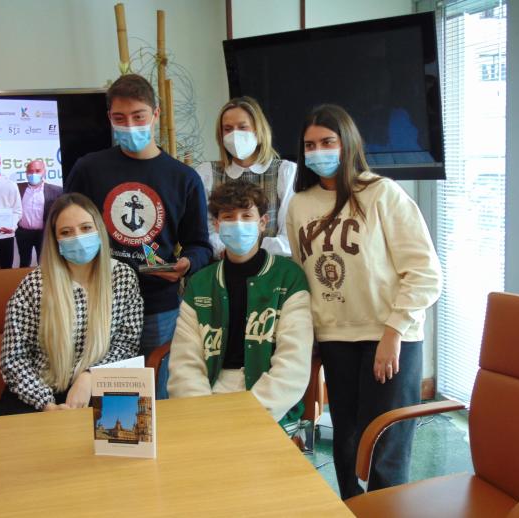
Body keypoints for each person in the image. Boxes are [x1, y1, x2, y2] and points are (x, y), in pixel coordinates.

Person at [286, 104, 441, 499]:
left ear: (347, 143)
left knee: (385, 447)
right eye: (310, 144)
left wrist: (393, 333)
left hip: (390, 336)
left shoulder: (381, 193)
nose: (318, 150)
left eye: (327, 141)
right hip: (336, 338)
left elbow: (424, 273)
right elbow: (304, 277)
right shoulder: (299, 204)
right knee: (347, 443)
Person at [65, 73, 211, 369]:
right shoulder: (88, 169)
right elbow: (62, 230)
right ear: (109, 118)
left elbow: (200, 245)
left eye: (138, 116)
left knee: (156, 395)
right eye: (120, 118)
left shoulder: (184, 179)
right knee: (99, 393)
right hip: (97, 302)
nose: (130, 126)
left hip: (157, 306)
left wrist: (186, 264)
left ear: (155, 114)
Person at [168, 180, 312, 428]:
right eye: (228, 217)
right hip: (208, 399)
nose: (237, 224)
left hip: (268, 404)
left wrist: (249, 416)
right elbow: (185, 361)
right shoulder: (201, 283)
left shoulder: (289, 278)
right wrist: (202, 414)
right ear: (216, 225)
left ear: (262, 223)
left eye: (246, 216)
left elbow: (293, 363)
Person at [0, 193, 144, 414]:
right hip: (38, 394)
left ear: (99, 230)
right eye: (66, 232)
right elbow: (14, 359)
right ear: (55, 240)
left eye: (86, 228)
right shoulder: (35, 285)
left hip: (101, 387)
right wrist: (46, 403)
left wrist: (90, 376)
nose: (77, 237)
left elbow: (126, 345)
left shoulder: (123, 277)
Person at [195, 96, 296, 258]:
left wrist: (248, 251)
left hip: (273, 268)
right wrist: (230, 251)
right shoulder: (206, 173)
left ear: (258, 130)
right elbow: (205, 232)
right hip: (223, 266)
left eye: (243, 127)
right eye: (228, 129)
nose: (235, 135)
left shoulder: (284, 172)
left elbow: (289, 236)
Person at [16, 159, 62, 267]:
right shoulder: (17, 188)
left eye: (37, 171)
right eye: (30, 171)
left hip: (44, 233)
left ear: (44, 172)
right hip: (23, 233)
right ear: (26, 173)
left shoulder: (57, 191)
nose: (34, 174)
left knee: (44, 263)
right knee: (24, 262)